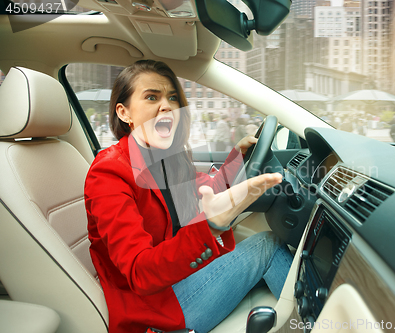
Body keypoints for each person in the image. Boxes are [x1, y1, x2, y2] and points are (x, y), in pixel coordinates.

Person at [84, 60, 292, 333]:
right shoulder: (109, 173)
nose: (167, 105)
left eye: (172, 97)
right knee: (269, 245)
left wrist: (237, 159)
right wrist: (210, 226)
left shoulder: (167, 159)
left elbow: (207, 190)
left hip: (177, 281)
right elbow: (139, 272)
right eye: (151, 97)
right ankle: (324, 326)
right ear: (124, 113)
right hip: (154, 309)